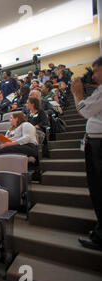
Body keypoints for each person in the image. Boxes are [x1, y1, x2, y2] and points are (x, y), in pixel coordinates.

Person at [71, 56, 102, 251]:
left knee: (99, 188)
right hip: (94, 143)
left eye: (96, 70)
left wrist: (77, 94)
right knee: (96, 188)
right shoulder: (99, 91)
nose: (93, 74)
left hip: (99, 144)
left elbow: (85, 110)